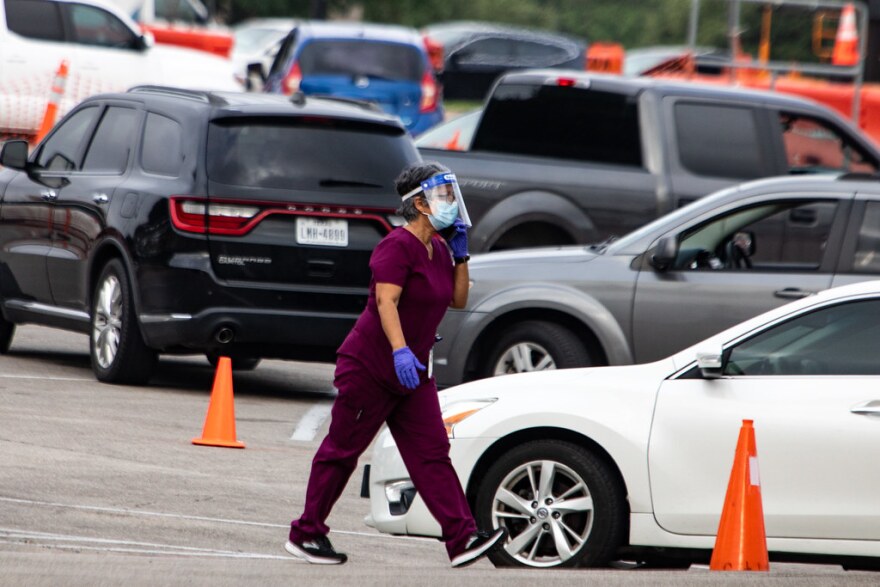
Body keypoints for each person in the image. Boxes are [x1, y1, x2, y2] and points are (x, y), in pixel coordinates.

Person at [285, 162, 506, 567]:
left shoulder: (438, 248)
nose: (451, 203)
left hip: (414, 376)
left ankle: (462, 539)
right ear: (419, 203)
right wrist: (400, 350)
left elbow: (457, 301)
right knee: (342, 451)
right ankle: (307, 533)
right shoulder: (396, 246)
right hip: (372, 367)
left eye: (450, 195)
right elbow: (387, 302)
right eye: (443, 196)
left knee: (432, 454)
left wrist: (461, 256)